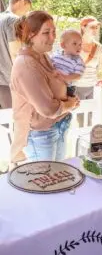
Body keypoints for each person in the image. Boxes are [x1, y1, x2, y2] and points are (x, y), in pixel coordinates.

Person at [10, 11, 80, 165]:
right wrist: (70, 104)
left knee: (58, 178)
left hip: (57, 125)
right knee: (45, 183)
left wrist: (69, 98)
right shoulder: (26, 64)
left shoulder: (43, 56)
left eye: (54, 31)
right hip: (41, 134)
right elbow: (48, 109)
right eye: (46, 32)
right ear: (30, 36)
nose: (52, 37)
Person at [0, 0, 31, 109]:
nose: (26, 13)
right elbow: (15, 53)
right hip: (9, 82)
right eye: (27, 8)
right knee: (13, 121)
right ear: (21, 2)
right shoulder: (14, 20)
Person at [74, 16, 102, 100]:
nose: (95, 30)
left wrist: (101, 82)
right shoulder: (74, 45)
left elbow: (100, 69)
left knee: (92, 113)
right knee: (78, 113)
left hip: (93, 88)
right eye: (92, 27)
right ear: (83, 27)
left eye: (96, 27)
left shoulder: (99, 47)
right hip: (76, 87)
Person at [51, 29, 85, 97]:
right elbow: (49, 64)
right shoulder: (56, 55)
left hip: (67, 88)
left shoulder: (78, 60)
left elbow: (78, 75)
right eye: (75, 43)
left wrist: (66, 78)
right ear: (63, 45)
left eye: (80, 44)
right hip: (52, 84)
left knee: (65, 103)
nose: (79, 47)